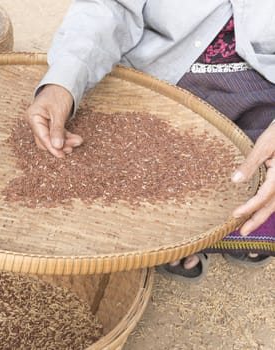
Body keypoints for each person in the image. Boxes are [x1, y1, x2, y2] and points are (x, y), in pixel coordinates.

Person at [26, 0, 275, 282]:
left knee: (257, 181)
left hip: (264, 84)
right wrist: (63, 83)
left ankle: (230, 229)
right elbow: (108, 7)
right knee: (124, 165)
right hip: (163, 73)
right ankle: (178, 233)